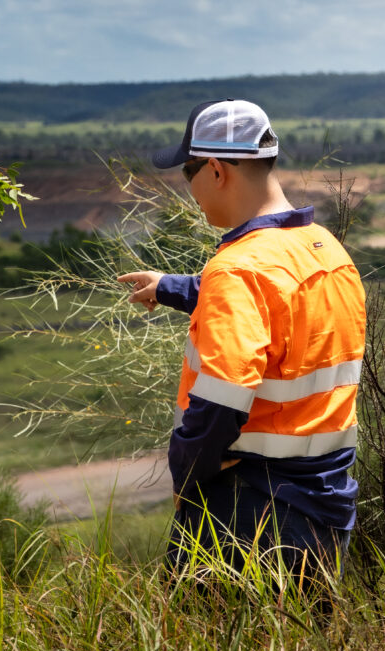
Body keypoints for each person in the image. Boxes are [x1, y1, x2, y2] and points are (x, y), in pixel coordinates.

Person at [118, 100, 366, 589]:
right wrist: (173, 287)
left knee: (200, 637)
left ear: (215, 170)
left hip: (248, 513)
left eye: (187, 172)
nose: (188, 188)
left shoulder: (237, 270)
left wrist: (186, 473)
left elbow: (220, 404)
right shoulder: (324, 248)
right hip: (325, 508)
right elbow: (277, 307)